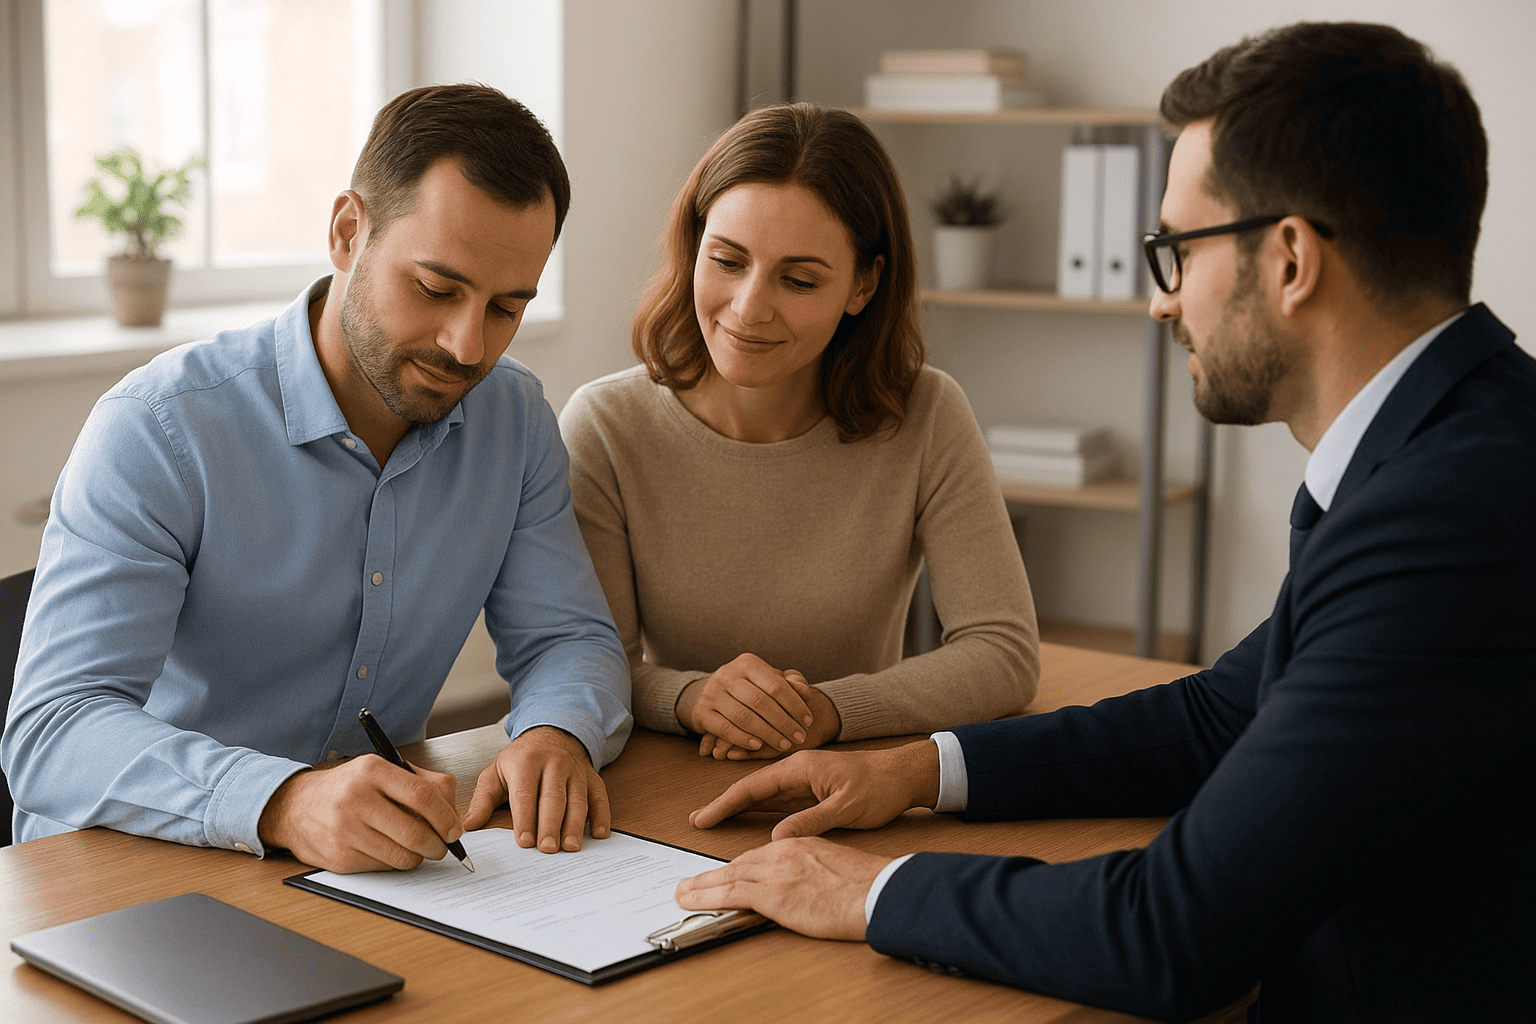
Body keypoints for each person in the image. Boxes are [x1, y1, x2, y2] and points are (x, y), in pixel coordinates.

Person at [673, 22, 1536, 1023]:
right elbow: (1222, 712)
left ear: (1291, 259)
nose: (1160, 305)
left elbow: (1172, 930)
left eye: (1175, 252)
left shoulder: (1449, 520)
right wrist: (912, 771)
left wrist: (866, 888)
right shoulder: (1457, 442)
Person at [3, 85, 632, 873]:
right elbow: (54, 731)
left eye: (506, 307)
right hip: (129, 869)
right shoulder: (160, 428)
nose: (468, 346)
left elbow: (570, 638)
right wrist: (284, 799)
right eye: (436, 289)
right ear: (347, 233)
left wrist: (557, 729)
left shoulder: (515, 422)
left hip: (359, 873)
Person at [558, 103, 1038, 762]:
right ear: (694, 247)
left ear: (864, 285)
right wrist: (695, 697)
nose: (750, 307)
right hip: (665, 781)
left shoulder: (926, 412)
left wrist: (827, 712)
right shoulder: (606, 426)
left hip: (852, 781)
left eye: (799, 279)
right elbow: (587, 664)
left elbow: (1003, 654)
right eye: (727, 260)